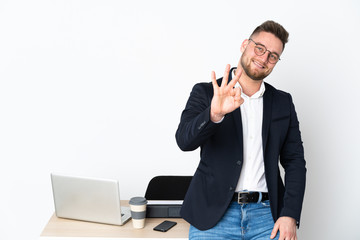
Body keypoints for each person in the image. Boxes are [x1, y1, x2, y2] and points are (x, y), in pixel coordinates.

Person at [175, 20, 306, 240]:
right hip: (213, 216)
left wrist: (290, 215)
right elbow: (184, 141)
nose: (264, 58)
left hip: (267, 216)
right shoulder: (208, 93)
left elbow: (294, 161)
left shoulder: (283, 102)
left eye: (273, 56)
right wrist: (214, 115)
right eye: (260, 48)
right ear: (245, 44)